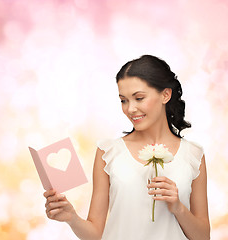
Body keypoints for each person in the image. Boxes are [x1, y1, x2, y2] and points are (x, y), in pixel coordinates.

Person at [44, 55, 210, 240]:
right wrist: (72, 218)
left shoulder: (193, 155)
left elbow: (203, 236)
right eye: (123, 100)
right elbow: (95, 233)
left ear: (165, 95)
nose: (130, 109)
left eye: (139, 98)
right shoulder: (108, 153)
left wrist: (178, 207)